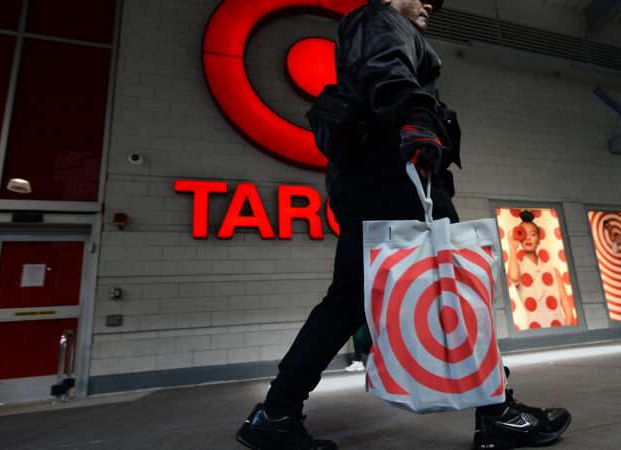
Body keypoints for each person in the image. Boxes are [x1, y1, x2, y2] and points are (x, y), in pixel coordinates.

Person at [236, 2, 571, 449]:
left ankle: (275, 414)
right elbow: (386, 69)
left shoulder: (374, 24)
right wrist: (417, 122)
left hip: (369, 176)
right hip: (394, 171)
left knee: (349, 299)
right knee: (455, 285)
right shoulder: (379, 18)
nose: (430, 3)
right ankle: (497, 413)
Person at [506, 210, 576, 329]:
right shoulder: (518, 268)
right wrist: (512, 248)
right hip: (533, 330)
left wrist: (566, 332)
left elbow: (568, 311)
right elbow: (513, 277)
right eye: (524, 234)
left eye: (533, 234)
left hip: (558, 327)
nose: (528, 238)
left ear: (539, 239)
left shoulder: (553, 271)